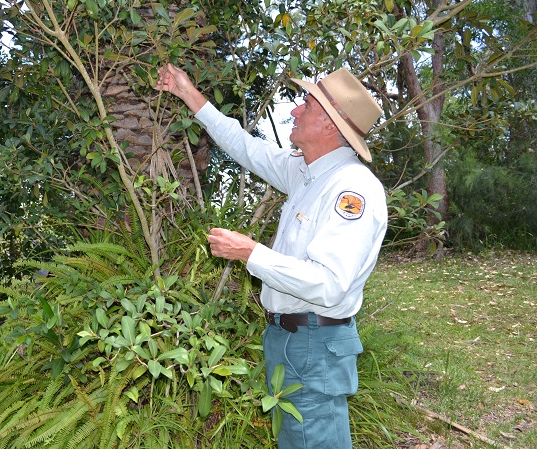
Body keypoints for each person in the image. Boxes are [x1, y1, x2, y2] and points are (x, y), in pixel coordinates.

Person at [155, 63, 388, 449]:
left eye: (307, 105)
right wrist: (188, 94)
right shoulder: (308, 172)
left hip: (315, 342)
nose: (295, 111)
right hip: (288, 336)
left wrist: (251, 253)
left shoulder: (352, 189)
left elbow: (330, 284)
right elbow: (248, 148)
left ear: (332, 125)